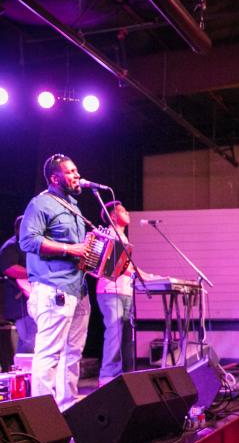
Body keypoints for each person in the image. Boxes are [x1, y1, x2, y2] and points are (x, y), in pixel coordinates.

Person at [19, 154, 90, 410]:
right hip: (53, 287)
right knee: (49, 354)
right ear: (55, 177)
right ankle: (43, 415)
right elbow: (27, 241)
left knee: (73, 354)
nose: (76, 175)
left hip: (78, 289)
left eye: (76, 170)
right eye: (70, 172)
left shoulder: (73, 206)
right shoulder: (41, 204)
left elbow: (81, 249)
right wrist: (71, 250)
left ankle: (66, 408)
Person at [95, 201, 157, 385]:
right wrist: (144, 276)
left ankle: (125, 375)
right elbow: (118, 264)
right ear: (112, 216)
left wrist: (146, 275)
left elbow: (128, 266)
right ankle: (108, 376)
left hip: (125, 291)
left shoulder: (123, 236)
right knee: (114, 333)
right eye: (122, 210)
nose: (127, 212)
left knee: (126, 335)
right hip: (110, 291)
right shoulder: (109, 233)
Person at [0, 215, 36, 353]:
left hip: (30, 299)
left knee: (32, 339)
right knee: (29, 340)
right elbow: (10, 268)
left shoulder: (28, 245)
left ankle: (27, 371)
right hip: (19, 301)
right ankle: (24, 371)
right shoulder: (10, 246)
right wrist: (35, 272)